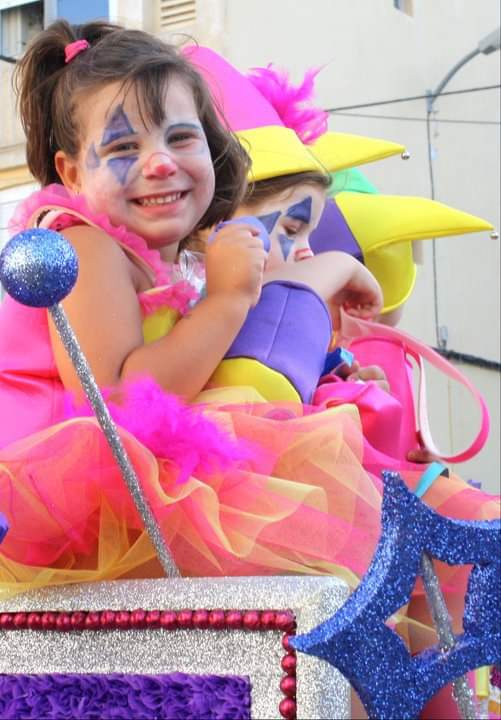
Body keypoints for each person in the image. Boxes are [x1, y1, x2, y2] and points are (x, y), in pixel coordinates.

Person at [0, 19, 398, 598]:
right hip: (52, 513)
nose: (160, 162)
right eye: (123, 147)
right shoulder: (83, 244)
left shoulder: (169, 263)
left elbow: (199, 369)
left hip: (123, 500)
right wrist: (228, 300)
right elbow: (117, 401)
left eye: (181, 138)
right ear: (72, 173)